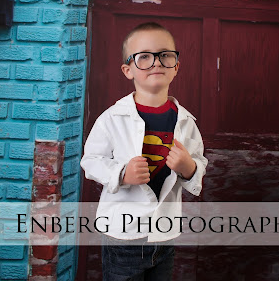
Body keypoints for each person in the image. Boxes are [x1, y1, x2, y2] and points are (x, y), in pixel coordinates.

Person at [81, 22, 208, 281]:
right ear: (128, 70)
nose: (156, 63)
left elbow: (198, 162)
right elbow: (91, 161)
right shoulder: (112, 118)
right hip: (123, 236)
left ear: (176, 66)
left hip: (164, 234)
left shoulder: (186, 122)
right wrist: (122, 173)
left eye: (165, 55)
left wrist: (189, 168)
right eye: (145, 57)